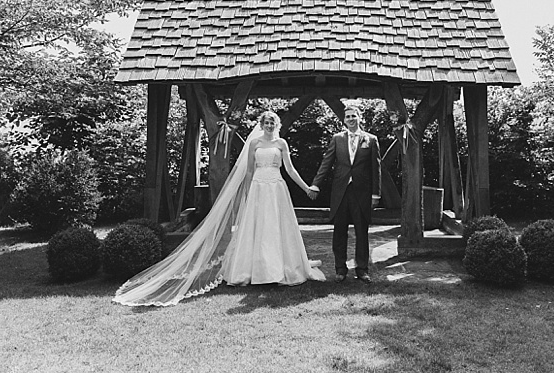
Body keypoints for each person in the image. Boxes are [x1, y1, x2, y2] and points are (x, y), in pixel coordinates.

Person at [114, 111, 323, 307]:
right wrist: (249, 193)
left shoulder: (281, 143)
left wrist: (306, 188)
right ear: (261, 125)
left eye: (272, 122)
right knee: (258, 229)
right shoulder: (255, 144)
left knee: (277, 228)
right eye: (266, 122)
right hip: (259, 188)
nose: (269, 125)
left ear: (276, 125)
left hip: (277, 188)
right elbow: (249, 171)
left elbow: (290, 169)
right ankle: (257, 270)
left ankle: (281, 269)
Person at [309, 105, 381, 283]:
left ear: (359, 118)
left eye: (353, 116)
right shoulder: (337, 139)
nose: (350, 119)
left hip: (362, 193)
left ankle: (362, 269)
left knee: (361, 231)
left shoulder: (371, 140)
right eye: (347, 116)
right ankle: (340, 269)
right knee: (339, 231)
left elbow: (376, 169)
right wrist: (315, 184)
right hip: (341, 192)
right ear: (344, 120)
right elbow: (327, 162)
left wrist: (375, 194)